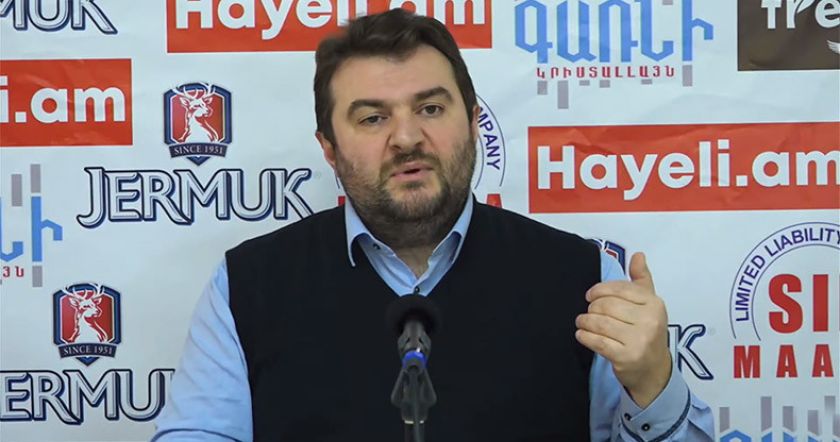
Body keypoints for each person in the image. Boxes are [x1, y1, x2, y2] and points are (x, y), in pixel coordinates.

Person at [152, 9, 714, 441]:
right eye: (373, 117)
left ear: (472, 122)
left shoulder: (584, 278)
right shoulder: (247, 286)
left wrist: (653, 383)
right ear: (329, 149)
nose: (406, 138)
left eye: (430, 109)